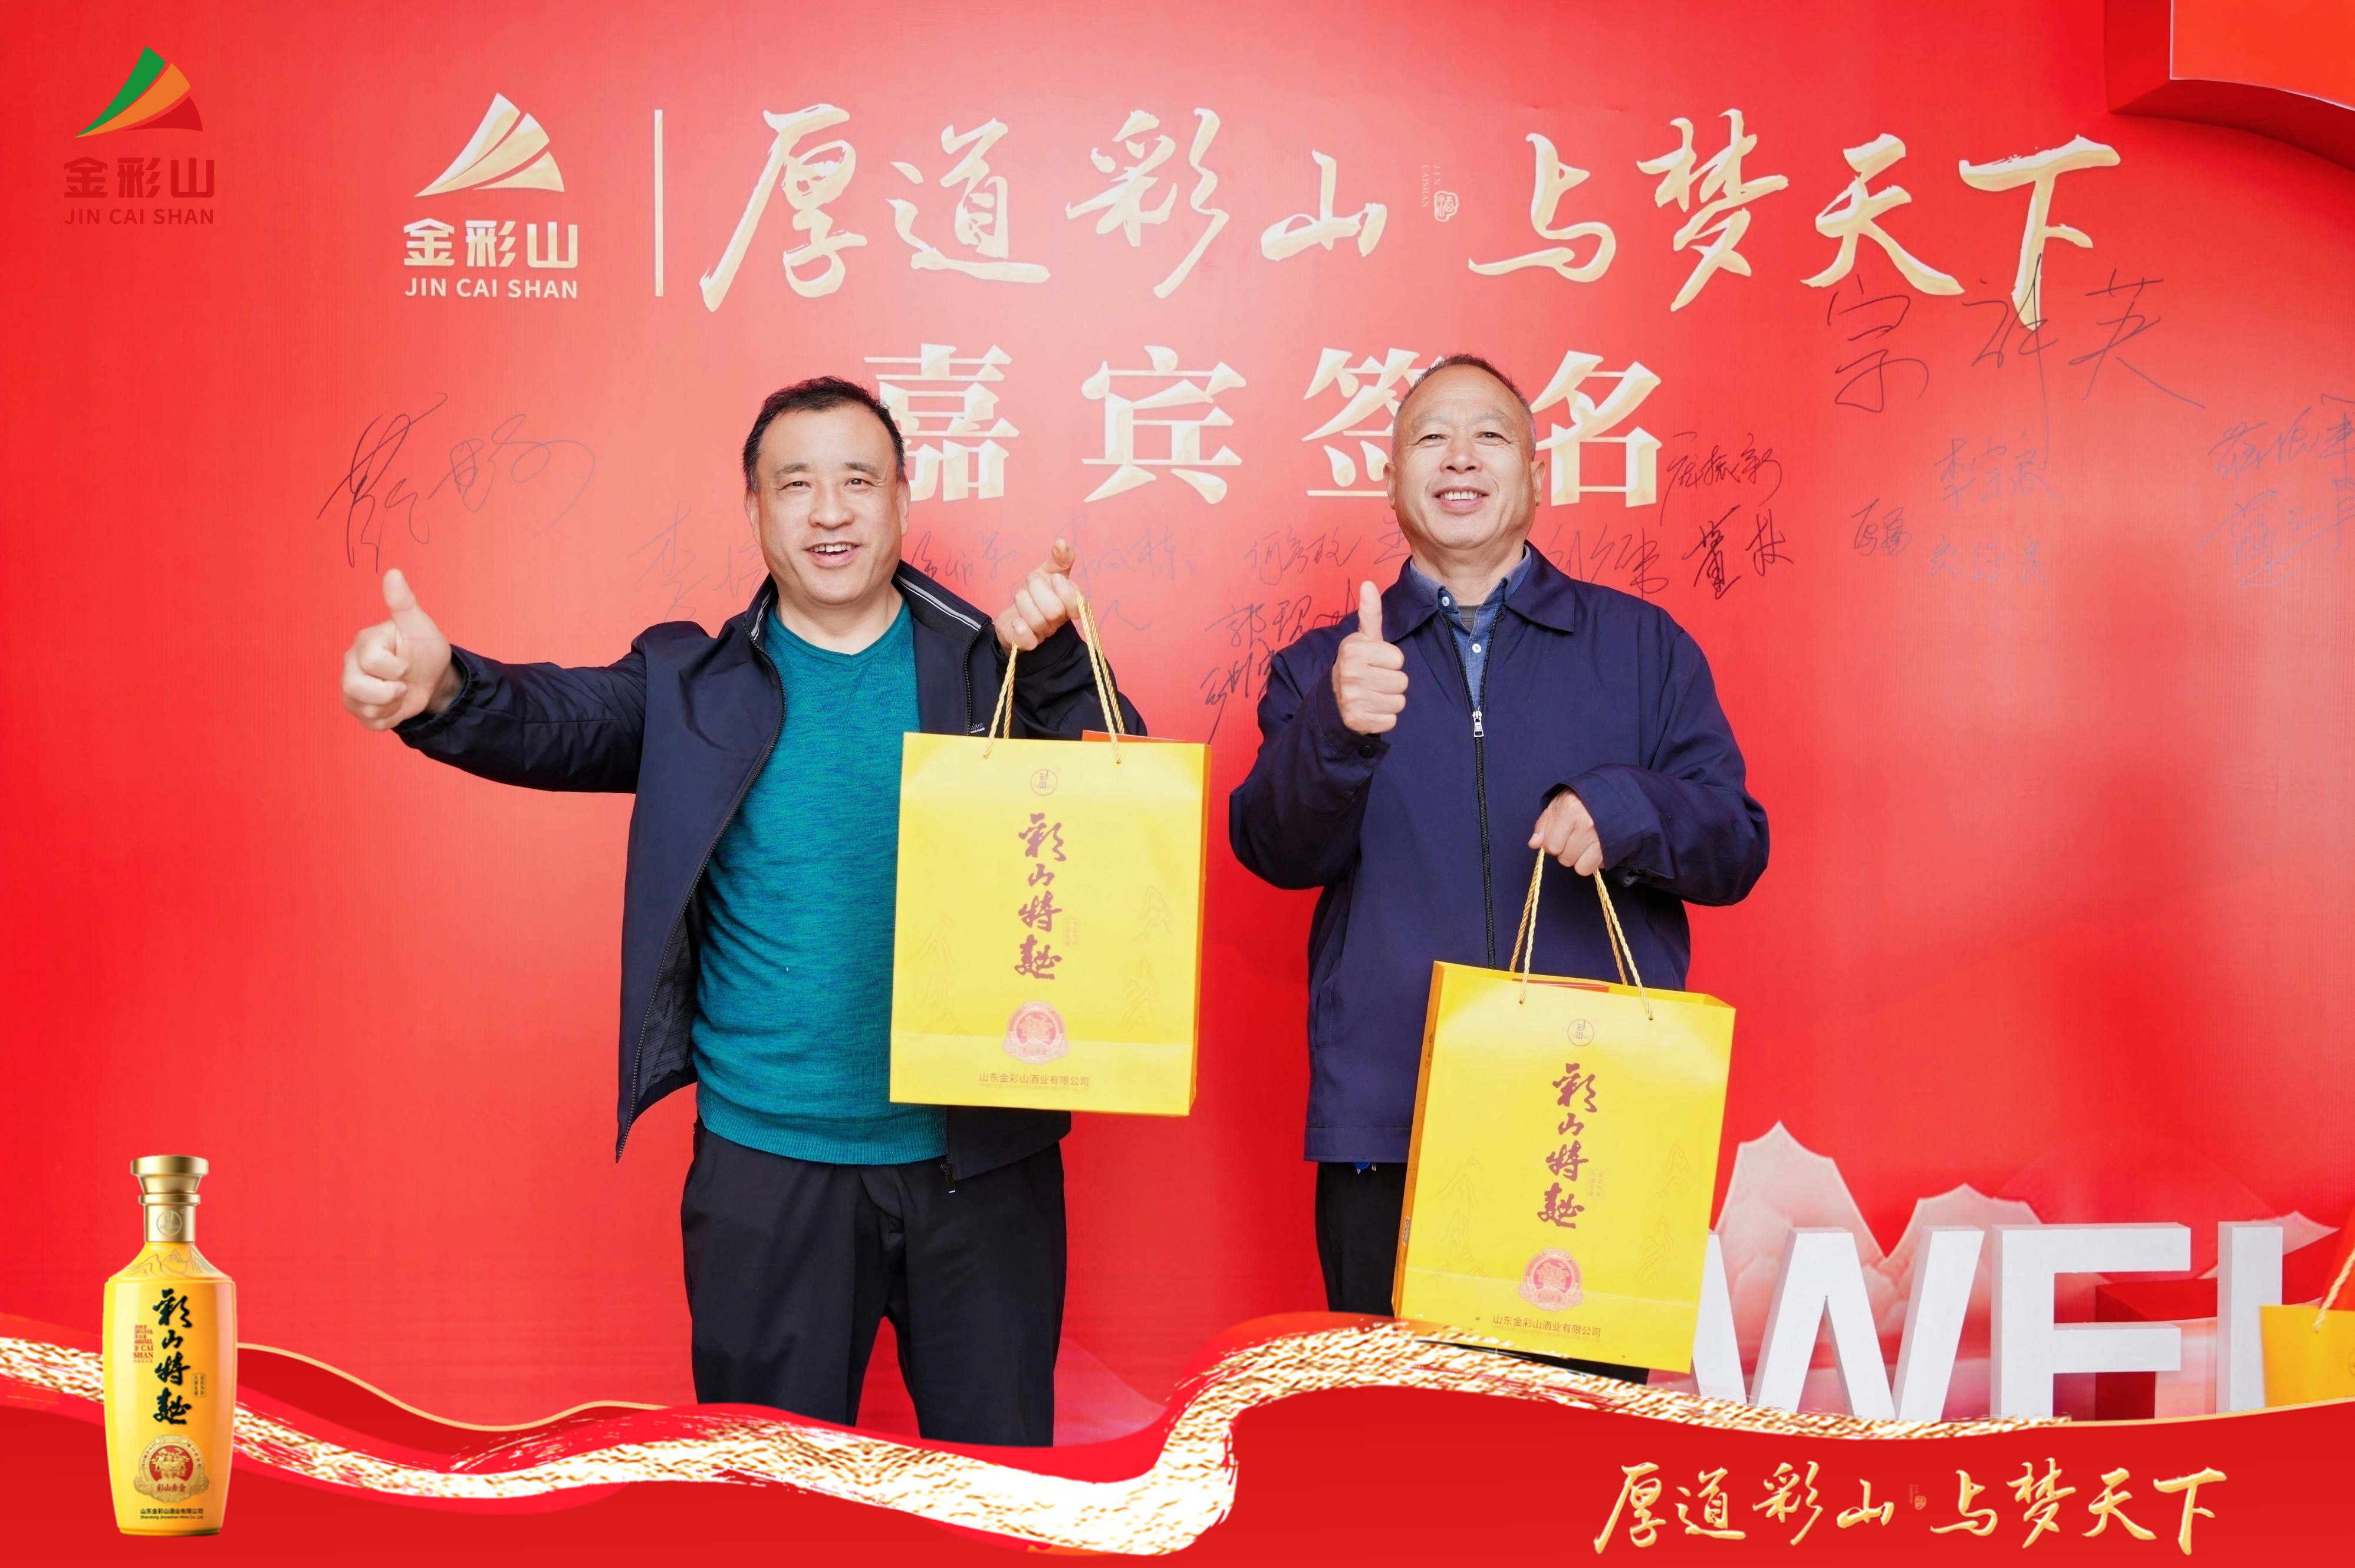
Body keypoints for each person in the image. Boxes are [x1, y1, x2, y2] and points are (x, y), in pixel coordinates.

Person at [338, 376, 1140, 1444]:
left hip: (982, 1168)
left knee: (997, 1492)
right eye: (794, 485)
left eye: (857, 482)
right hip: (767, 1166)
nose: (828, 512)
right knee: (766, 1497)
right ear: (753, 509)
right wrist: (446, 691)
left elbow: (1121, 799)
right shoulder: (695, 683)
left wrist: (1053, 667)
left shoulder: (988, 659)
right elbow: (557, 718)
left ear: (904, 499)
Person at [1226, 354, 1768, 1373]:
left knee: (1577, 1449)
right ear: (1392, 477)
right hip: (1391, 1130)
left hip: (1587, 1120)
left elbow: (1736, 845)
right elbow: (1272, 850)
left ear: (1534, 472)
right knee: (1400, 1449)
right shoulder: (1325, 667)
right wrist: (1337, 729)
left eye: (1489, 436)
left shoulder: (1642, 648)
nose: (1460, 459)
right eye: (1430, 438)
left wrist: (1624, 810)